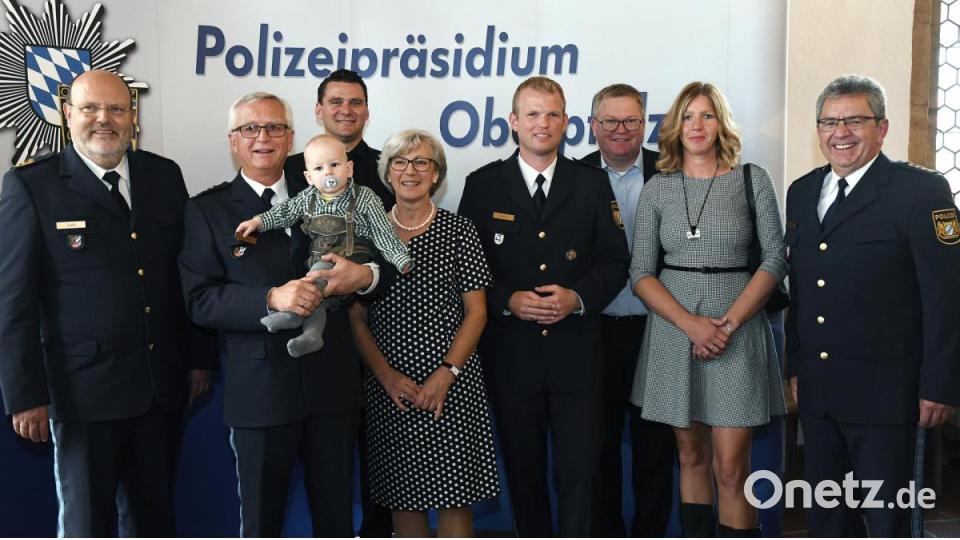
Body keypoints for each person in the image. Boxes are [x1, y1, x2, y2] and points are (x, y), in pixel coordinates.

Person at [0, 69, 213, 537]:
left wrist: (198, 358)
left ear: (132, 116)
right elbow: (13, 300)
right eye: (91, 109)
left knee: (154, 520)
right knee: (86, 524)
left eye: (117, 109)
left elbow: (186, 275)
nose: (105, 120)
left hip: (161, 389)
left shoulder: (164, 175)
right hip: (82, 394)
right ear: (67, 114)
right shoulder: (32, 186)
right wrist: (25, 396)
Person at [178, 91, 395, 537]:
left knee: (337, 520)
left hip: (332, 387)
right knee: (263, 523)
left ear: (292, 137)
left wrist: (365, 275)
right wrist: (269, 298)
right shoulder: (207, 210)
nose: (263, 137)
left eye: (275, 127)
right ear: (233, 141)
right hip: (260, 393)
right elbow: (199, 299)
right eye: (250, 129)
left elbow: (386, 269)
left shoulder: (332, 190)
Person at [785, 74, 960, 537]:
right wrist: (795, 369)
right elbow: (803, 289)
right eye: (829, 121)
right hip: (821, 394)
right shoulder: (802, 193)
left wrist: (940, 385)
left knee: (888, 521)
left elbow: (945, 296)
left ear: (882, 128)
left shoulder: (920, 193)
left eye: (854, 120)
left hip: (889, 397)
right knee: (827, 520)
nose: (840, 132)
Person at [458, 76, 629, 537]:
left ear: (567, 123)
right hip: (512, 358)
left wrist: (577, 298)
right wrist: (505, 300)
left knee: (581, 477)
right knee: (524, 475)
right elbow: (466, 269)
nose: (543, 123)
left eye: (553, 114)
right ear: (513, 122)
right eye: (532, 113)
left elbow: (616, 262)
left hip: (578, 358)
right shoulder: (483, 185)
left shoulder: (590, 184)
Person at [629, 81, 787, 537]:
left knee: (731, 466)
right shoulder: (658, 188)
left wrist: (728, 324)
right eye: (688, 116)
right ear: (674, 126)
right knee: (689, 456)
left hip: (736, 329)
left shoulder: (751, 179)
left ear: (722, 124)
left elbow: (775, 259)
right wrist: (691, 326)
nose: (697, 126)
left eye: (707, 116)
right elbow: (640, 272)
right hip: (675, 329)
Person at [348, 129, 499, 537]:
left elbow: (477, 312)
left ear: (436, 174)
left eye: (421, 162)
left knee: (454, 500)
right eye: (399, 162)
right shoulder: (366, 234)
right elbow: (356, 317)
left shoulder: (460, 231)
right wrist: (385, 376)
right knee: (404, 503)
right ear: (387, 172)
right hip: (390, 389)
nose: (409, 171)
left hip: (451, 385)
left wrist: (445, 373)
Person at [284, 68, 394, 535]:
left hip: (373, 335)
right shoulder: (289, 169)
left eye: (355, 102)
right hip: (307, 332)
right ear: (318, 110)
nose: (345, 111)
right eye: (335, 102)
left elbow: (391, 250)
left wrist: (366, 276)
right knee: (321, 469)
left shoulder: (386, 169)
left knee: (377, 459)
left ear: (367, 111)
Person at [580, 83, 675, 538]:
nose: (621, 130)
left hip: (659, 331)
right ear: (592, 126)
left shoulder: (673, 172)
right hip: (592, 333)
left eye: (631, 121)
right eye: (610, 121)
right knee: (597, 448)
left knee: (655, 448)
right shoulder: (572, 175)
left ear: (645, 124)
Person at [236, 134, 411, 358]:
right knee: (319, 294)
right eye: (319, 168)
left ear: (349, 169)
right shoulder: (307, 197)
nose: (327, 172)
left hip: (354, 255)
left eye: (334, 165)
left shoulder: (365, 197)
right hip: (321, 259)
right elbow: (285, 213)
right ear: (309, 177)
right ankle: (310, 333)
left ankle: (296, 319)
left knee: (311, 281)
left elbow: (383, 232)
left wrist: (400, 258)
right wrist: (259, 221)